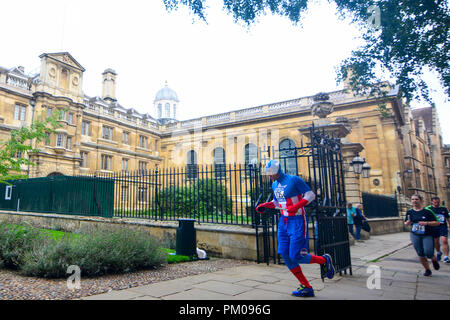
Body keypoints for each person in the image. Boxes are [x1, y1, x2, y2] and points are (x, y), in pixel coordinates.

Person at [256, 160, 335, 298]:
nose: (269, 176)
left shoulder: (294, 180)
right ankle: (307, 287)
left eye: (271, 173)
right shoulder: (274, 184)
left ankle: (324, 260)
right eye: (268, 173)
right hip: (283, 222)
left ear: (278, 170)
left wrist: (298, 206)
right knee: (285, 255)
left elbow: (310, 195)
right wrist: (265, 205)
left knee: (296, 255)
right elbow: (277, 202)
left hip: (297, 221)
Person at [404, 194, 441, 276]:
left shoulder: (427, 211)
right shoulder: (409, 212)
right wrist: (408, 222)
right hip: (415, 235)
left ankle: (433, 259)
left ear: (420, 200)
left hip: (427, 234)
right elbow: (406, 223)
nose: (414, 201)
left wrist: (426, 223)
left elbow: (437, 223)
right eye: (412, 199)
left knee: (428, 252)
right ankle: (427, 270)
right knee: (420, 253)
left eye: (416, 199)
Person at [426, 196, 450, 264]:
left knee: (444, 240)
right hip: (434, 227)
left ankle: (446, 257)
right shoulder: (429, 209)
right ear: (432, 202)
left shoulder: (443, 209)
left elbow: (447, 218)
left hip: (442, 226)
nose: (437, 203)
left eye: (438, 201)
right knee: (436, 242)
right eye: (435, 201)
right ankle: (439, 252)